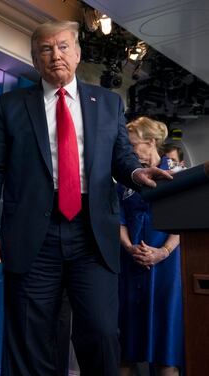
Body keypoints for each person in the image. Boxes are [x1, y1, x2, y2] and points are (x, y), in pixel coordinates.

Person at [0, 20, 172, 375]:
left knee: (99, 331)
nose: (56, 55)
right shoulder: (9, 105)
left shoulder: (107, 103)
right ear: (35, 60)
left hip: (92, 233)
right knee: (30, 336)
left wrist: (136, 173)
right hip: (33, 233)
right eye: (46, 49)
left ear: (78, 53)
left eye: (63, 47)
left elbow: (122, 159)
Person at [118, 117, 183, 376]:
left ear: (151, 142)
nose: (130, 151)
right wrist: (128, 247)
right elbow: (118, 219)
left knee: (165, 352)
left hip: (167, 266)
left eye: (133, 144)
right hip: (131, 264)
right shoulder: (127, 178)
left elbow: (185, 222)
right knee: (125, 348)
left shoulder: (179, 174)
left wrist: (162, 252)